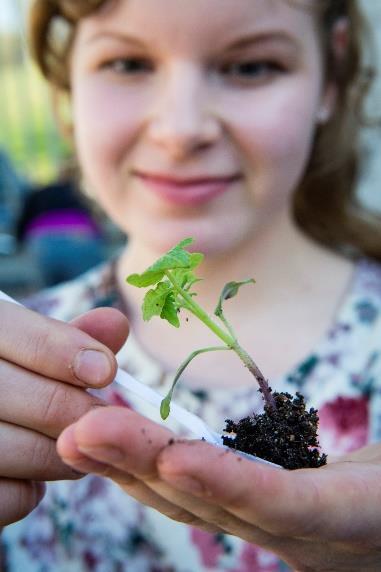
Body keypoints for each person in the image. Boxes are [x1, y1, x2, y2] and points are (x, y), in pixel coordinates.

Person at [1, 0, 381, 570]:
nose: (181, 131)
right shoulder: (25, 358)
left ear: (331, 74)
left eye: (251, 67)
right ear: (65, 92)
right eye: (128, 63)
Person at [16, 169, 106, 287]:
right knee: (89, 287)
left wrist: (18, 240)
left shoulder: (37, 193)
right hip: (79, 236)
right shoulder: (77, 193)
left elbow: (24, 218)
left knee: (50, 293)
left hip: (43, 240)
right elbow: (93, 216)